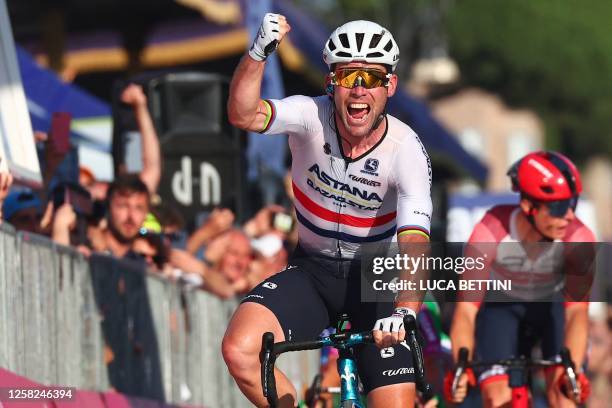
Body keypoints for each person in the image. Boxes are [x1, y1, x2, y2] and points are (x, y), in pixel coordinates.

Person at [222, 14, 433, 407]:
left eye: (371, 78)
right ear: (329, 83)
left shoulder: (406, 150)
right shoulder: (308, 116)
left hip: (378, 282)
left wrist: (405, 311)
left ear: (391, 86)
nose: (358, 90)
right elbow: (242, 114)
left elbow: (415, 242)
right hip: (313, 271)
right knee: (240, 349)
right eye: (348, 76)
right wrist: (257, 54)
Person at [447, 151, 595, 407]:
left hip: (552, 309)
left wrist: (573, 372)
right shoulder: (490, 230)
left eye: (573, 203)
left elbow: (577, 314)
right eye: (559, 207)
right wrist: (462, 368)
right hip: (502, 308)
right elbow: (466, 311)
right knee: (498, 398)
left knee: (564, 396)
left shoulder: (580, 239)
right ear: (528, 206)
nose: (569, 215)